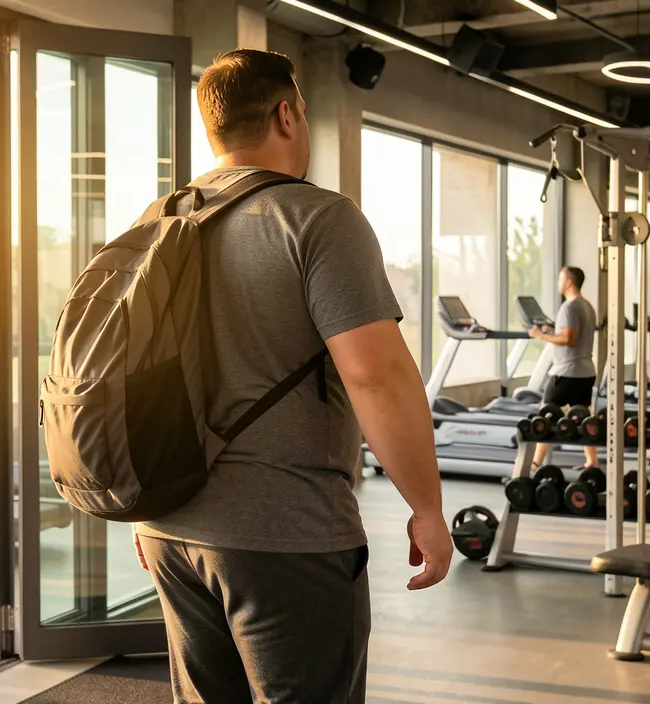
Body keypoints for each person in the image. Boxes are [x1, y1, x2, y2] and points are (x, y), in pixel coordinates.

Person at [131, 49, 450, 704]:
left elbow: (130, 378)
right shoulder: (317, 217)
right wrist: (427, 507)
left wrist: (143, 509)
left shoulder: (157, 219)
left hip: (168, 529)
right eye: (302, 112)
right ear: (286, 114)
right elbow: (377, 377)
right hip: (285, 536)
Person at [528, 266, 598, 471]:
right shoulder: (586, 305)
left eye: (560, 279)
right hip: (585, 371)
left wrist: (541, 336)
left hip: (567, 372)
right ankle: (592, 461)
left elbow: (569, 338)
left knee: (545, 416)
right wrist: (552, 331)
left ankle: (534, 464)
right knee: (584, 416)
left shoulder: (569, 307)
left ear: (569, 282)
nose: (558, 283)